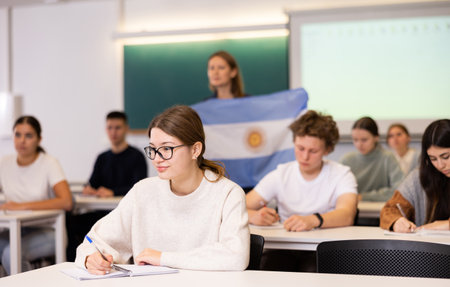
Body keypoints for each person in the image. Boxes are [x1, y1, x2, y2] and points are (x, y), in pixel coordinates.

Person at [75, 105, 249, 273]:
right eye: (153, 149)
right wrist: (90, 258)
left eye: (166, 148)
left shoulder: (228, 193)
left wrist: (163, 258)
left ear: (195, 150)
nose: (157, 159)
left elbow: (236, 256)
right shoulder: (142, 192)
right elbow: (93, 241)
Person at [246, 110, 357, 272]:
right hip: (284, 248)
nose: (304, 157)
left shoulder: (341, 174)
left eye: (313, 151)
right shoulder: (281, 174)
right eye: (300, 148)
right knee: (267, 270)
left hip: (322, 250)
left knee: (312, 273)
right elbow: (237, 206)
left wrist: (312, 220)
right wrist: (254, 216)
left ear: (327, 150)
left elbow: (347, 214)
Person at [66, 111, 147, 261]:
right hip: (100, 213)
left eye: (118, 127)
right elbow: (92, 183)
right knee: (71, 221)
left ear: (126, 129)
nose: (113, 132)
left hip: (122, 216)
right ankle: (75, 261)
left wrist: (112, 192)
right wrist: (88, 189)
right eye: (110, 128)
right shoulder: (102, 158)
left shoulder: (136, 156)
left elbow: (139, 187)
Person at [0, 116, 73, 275]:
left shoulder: (49, 162)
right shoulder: (5, 163)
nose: (22, 141)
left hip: (49, 230)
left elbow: (66, 201)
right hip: (16, 229)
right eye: (18, 135)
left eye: (29, 135)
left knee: (11, 252)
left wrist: (22, 206)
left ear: (39, 139)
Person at [380, 119, 450, 232]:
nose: (440, 165)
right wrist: (397, 221)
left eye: (446, 156)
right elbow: (389, 209)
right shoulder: (419, 177)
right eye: (433, 159)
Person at [340, 117, 404, 202]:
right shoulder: (347, 160)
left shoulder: (387, 158)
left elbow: (399, 189)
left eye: (364, 140)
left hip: (379, 210)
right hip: (351, 208)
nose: (359, 144)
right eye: (355, 140)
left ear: (376, 137)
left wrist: (363, 197)